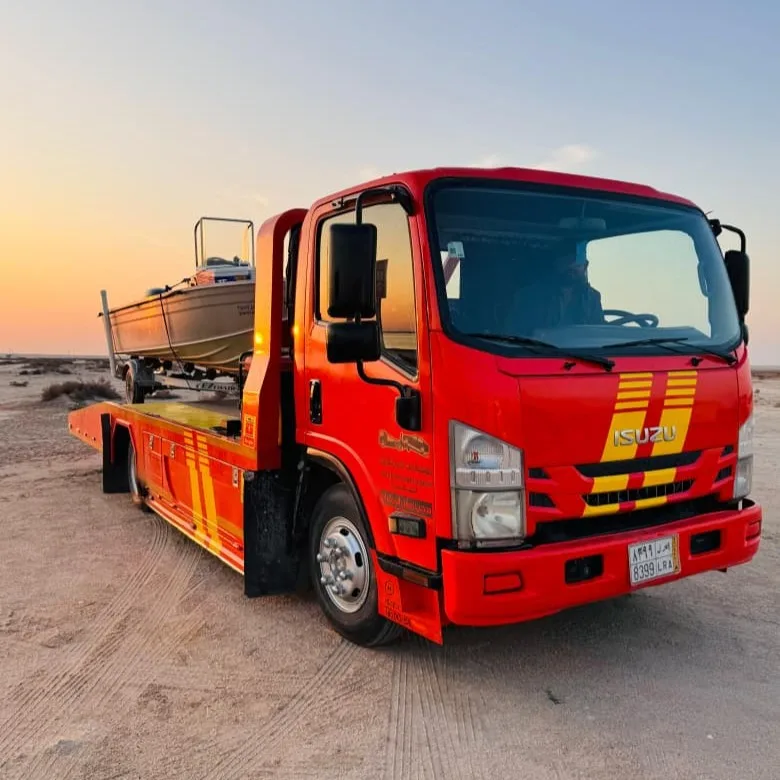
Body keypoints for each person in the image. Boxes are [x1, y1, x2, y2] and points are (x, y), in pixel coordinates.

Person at [507, 242, 604, 333]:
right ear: (556, 264)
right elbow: (516, 333)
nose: (571, 267)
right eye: (566, 262)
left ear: (585, 265)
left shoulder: (592, 297)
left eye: (577, 264)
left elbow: (598, 331)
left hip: (582, 350)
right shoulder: (530, 295)